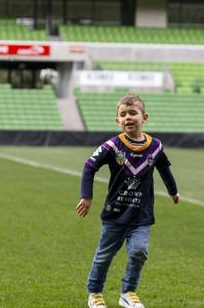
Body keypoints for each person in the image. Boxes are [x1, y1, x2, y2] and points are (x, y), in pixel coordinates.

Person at [76, 93, 180, 308]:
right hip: (115, 213)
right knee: (104, 256)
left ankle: (128, 292)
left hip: (141, 216)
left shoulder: (156, 146)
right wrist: (86, 196)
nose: (128, 118)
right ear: (117, 121)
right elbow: (89, 167)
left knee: (139, 251)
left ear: (144, 117)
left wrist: (173, 191)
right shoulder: (112, 146)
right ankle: (94, 294)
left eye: (133, 113)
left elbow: (164, 169)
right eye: (123, 114)